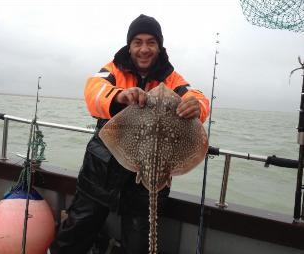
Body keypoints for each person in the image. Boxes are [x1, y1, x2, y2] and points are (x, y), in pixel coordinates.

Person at [53, 14, 210, 254]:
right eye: (138, 42)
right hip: (102, 168)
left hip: (149, 175)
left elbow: (194, 95)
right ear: (130, 45)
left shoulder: (172, 79)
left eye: (151, 42)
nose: (144, 48)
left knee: (138, 244)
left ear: (159, 46)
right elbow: (93, 89)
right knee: (79, 228)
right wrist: (119, 96)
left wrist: (197, 106)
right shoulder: (113, 69)